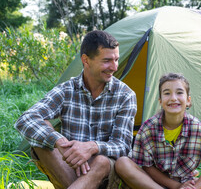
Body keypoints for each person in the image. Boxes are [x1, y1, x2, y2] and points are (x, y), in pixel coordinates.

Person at [15, 30, 137, 189]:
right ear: (86, 60)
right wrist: (59, 141)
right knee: (41, 142)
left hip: (107, 174)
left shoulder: (125, 95)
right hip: (70, 168)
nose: (114, 67)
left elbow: (123, 146)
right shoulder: (67, 90)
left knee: (101, 161)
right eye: (107, 60)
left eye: (116, 59)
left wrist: (92, 147)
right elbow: (25, 119)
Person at [115, 73, 201, 189]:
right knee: (122, 163)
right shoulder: (148, 128)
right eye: (167, 93)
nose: (173, 98)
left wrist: (195, 187)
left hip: (187, 183)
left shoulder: (198, 129)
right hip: (155, 184)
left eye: (179, 93)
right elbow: (147, 167)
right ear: (160, 101)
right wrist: (176, 186)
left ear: (188, 100)